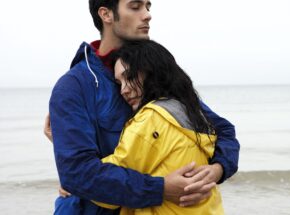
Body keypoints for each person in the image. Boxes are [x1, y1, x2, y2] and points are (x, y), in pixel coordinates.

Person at [47, 0, 240, 214]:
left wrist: (216, 170)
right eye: (135, 6)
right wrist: (161, 189)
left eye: (148, 7)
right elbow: (77, 174)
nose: (147, 15)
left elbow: (221, 130)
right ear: (106, 14)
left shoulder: (153, 75)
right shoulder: (74, 86)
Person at [91, 39, 225, 214]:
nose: (123, 89)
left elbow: (110, 184)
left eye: (129, 77)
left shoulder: (151, 118)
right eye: (119, 83)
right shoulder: (192, 111)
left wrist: (75, 182)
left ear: (152, 72)